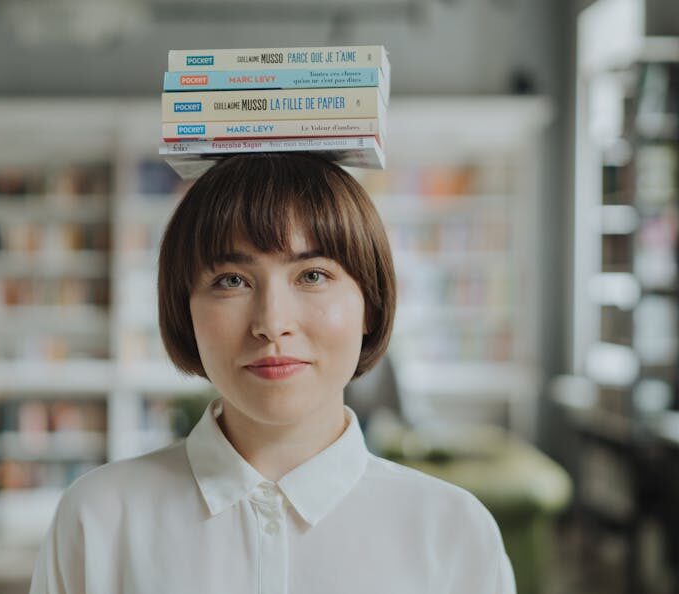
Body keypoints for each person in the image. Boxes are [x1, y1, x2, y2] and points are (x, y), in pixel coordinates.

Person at [28, 152, 516, 594]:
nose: (271, 324)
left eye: (313, 275)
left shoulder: (453, 532)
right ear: (185, 311)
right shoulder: (97, 519)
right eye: (232, 281)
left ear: (370, 303)